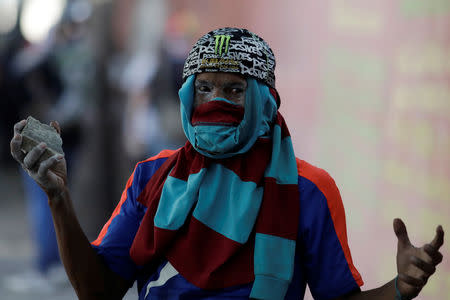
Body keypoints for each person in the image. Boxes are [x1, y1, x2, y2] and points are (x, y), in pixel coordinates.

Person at [10, 27, 444, 300]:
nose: (215, 102)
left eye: (235, 91)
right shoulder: (152, 175)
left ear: (265, 102)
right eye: (204, 88)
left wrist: (401, 288)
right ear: (186, 97)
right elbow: (98, 289)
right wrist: (58, 198)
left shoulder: (308, 189)